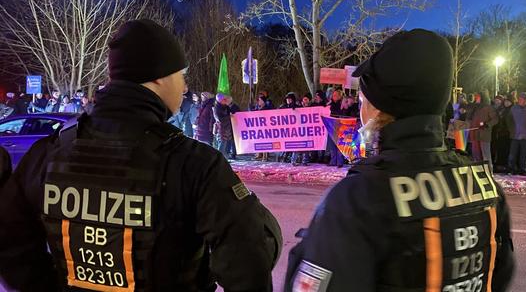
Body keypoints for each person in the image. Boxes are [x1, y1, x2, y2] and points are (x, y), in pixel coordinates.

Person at [0, 19, 282, 291]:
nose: (184, 88)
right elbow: (249, 258)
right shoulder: (193, 163)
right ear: (159, 78)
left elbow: (11, 244)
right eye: (180, 76)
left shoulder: (47, 154)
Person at [285, 29, 514, 292]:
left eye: (362, 100)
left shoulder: (359, 198)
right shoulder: (484, 186)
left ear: (379, 108)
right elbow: (500, 274)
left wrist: (315, 244)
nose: (360, 110)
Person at [466, 90, 499, 172]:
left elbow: (495, 119)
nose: (476, 98)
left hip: (484, 134)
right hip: (474, 134)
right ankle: (478, 171)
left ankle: (489, 172)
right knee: (476, 155)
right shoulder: (474, 107)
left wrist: (487, 124)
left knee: (486, 155)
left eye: (478, 97)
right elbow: (469, 119)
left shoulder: (488, 108)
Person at [507, 92, 526, 177]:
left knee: (524, 154)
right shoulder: (513, 108)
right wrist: (511, 129)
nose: (522, 101)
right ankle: (511, 168)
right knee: (513, 153)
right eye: (521, 99)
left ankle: (523, 169)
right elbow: (508, 119)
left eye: (524, 99)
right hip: (515, 134)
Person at [327, 89, 345, 168]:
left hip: (340, 126)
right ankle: (333, 160)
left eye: (335, 95)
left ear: (340, 96)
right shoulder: (330, 104)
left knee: (339, 144)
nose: (333, 97)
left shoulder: (342, 104)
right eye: (333, 95)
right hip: (331, 125)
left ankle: (340, 161)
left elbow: (343, 113)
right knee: (332, 144)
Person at [213, 93, 233, 159]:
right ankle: (218, 159)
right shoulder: (217, 108)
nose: (225, 100)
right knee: (222, 145)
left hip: (227, 130)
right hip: (221, 130)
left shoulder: (226, 107)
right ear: (220, 100)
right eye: (224, 99)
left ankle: (225, 159)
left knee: (226, 146)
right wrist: (229, 117)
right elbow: (220, 119)